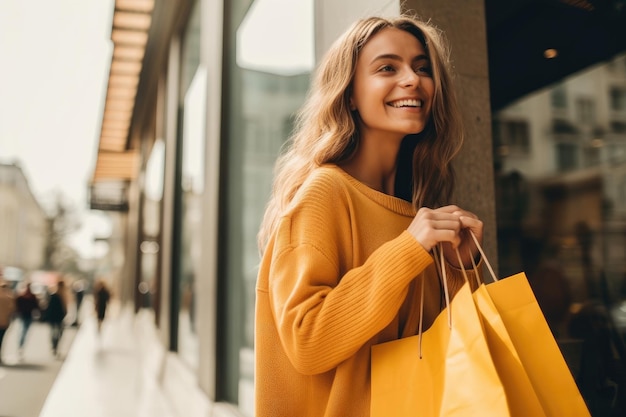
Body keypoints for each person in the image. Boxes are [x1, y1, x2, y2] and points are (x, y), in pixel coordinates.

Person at [254, 14, 484, 417]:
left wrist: (461, 267)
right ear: (350, 95)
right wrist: (409, 248)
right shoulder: (325, 192)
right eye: (387, 68)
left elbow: (445, 345)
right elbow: (307, 342)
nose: (412, 79)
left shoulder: (416, 208)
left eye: (422, 67)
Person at [15, 282, 41, 357]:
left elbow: (36, 306)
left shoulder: (30, 296)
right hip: (24, 316)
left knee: (24, 330)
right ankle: (20, 345)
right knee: (24, 331)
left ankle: (21, 346)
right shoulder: (23, 296)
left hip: (27, 316)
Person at [45, 280, 67, 357]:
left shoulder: (64, 295)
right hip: (54, 318)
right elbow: (50, 308)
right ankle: (54, 346)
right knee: (54, 333)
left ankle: (55, 346)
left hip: (60, 318)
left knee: (59, 333)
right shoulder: (54, 295)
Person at [0, 280, 16, 364]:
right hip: (4, 323)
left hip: (3, 322)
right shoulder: (9, 297)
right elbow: (12, 310)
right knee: (1, 340)